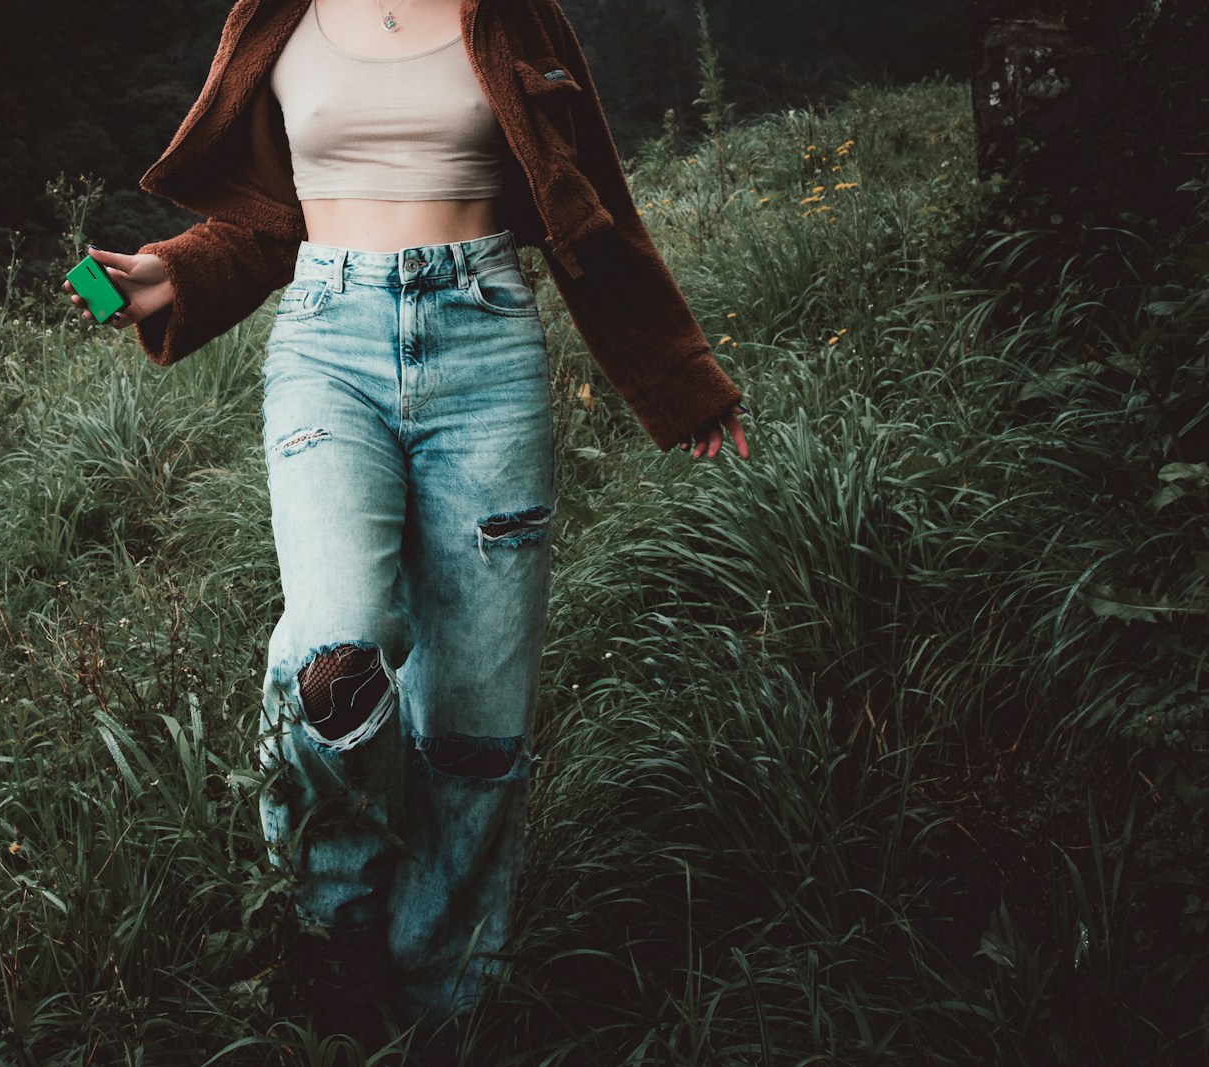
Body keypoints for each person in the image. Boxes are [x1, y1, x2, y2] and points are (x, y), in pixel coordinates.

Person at [64, 0, 748, 1042]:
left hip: (485, 349)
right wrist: (168, 276)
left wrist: (679, 375)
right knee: (336, 643)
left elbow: (590, 200)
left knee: (475, 724)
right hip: (326, 347)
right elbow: (263, 221)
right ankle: (333, 922)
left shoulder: (515, 17)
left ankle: (445, 1005)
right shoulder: (275, 17)